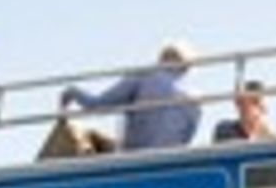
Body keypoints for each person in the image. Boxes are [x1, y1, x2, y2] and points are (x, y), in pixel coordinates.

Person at [59, 40, 201, 151]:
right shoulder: (194, 103)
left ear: (162, 58)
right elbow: (184, 142)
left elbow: (98, 105)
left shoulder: (143, 76)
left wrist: (71, 93)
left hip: (136, 164)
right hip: (170, 167)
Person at [212, 80, 276, 143]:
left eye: (257, 103)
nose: (259, 109)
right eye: (255, 102)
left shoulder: (270, 139)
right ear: (239, 104)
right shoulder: (225, 129)